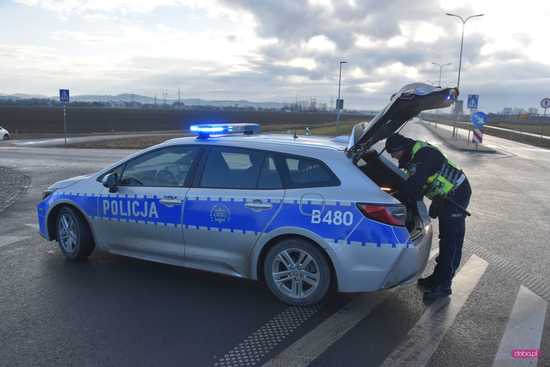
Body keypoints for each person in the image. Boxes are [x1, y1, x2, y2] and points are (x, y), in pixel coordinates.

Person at [385, 133, 472, 301]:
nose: (393, 157)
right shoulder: (413, 155)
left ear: (401, 149)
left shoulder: (424, 155)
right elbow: (422, 184)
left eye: (393, 153)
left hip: (457, 195)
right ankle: (437, 278)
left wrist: (394, 200)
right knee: (445, 238)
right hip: (446, 196)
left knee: (451, 240)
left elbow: (414, 185)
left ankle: (444, 286)